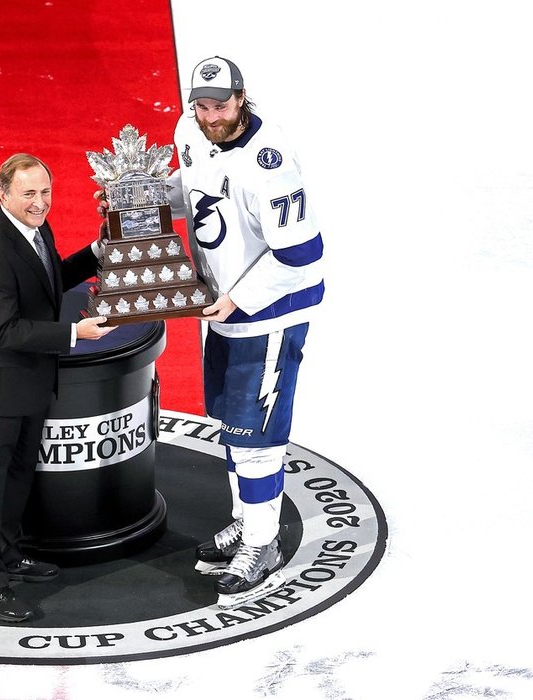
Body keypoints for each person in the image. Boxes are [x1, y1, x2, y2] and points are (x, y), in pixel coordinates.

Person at [167, 56, 326, 607]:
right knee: (233, 426)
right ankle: (246, 521)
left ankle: (263, 546)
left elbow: (303, 254)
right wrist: (137, 201)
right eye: (202, 105)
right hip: (226, 309)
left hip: (270, 311)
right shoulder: (190, 129)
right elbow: (191, 186)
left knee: (256, 435)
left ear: (241, 99)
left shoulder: (270, 163)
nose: (210, 116)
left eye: (221, 105)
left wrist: (236, 299)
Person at [0, 153, 113, 623]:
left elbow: (49, 280)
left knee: (17, 478)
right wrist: (74, 335)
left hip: (26, 385)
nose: (39, 203)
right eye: (28, 194)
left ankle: (7, 555)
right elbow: (7, 330)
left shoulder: (36, 230)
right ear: (2, 194)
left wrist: (99, 252)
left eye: (45, 192)